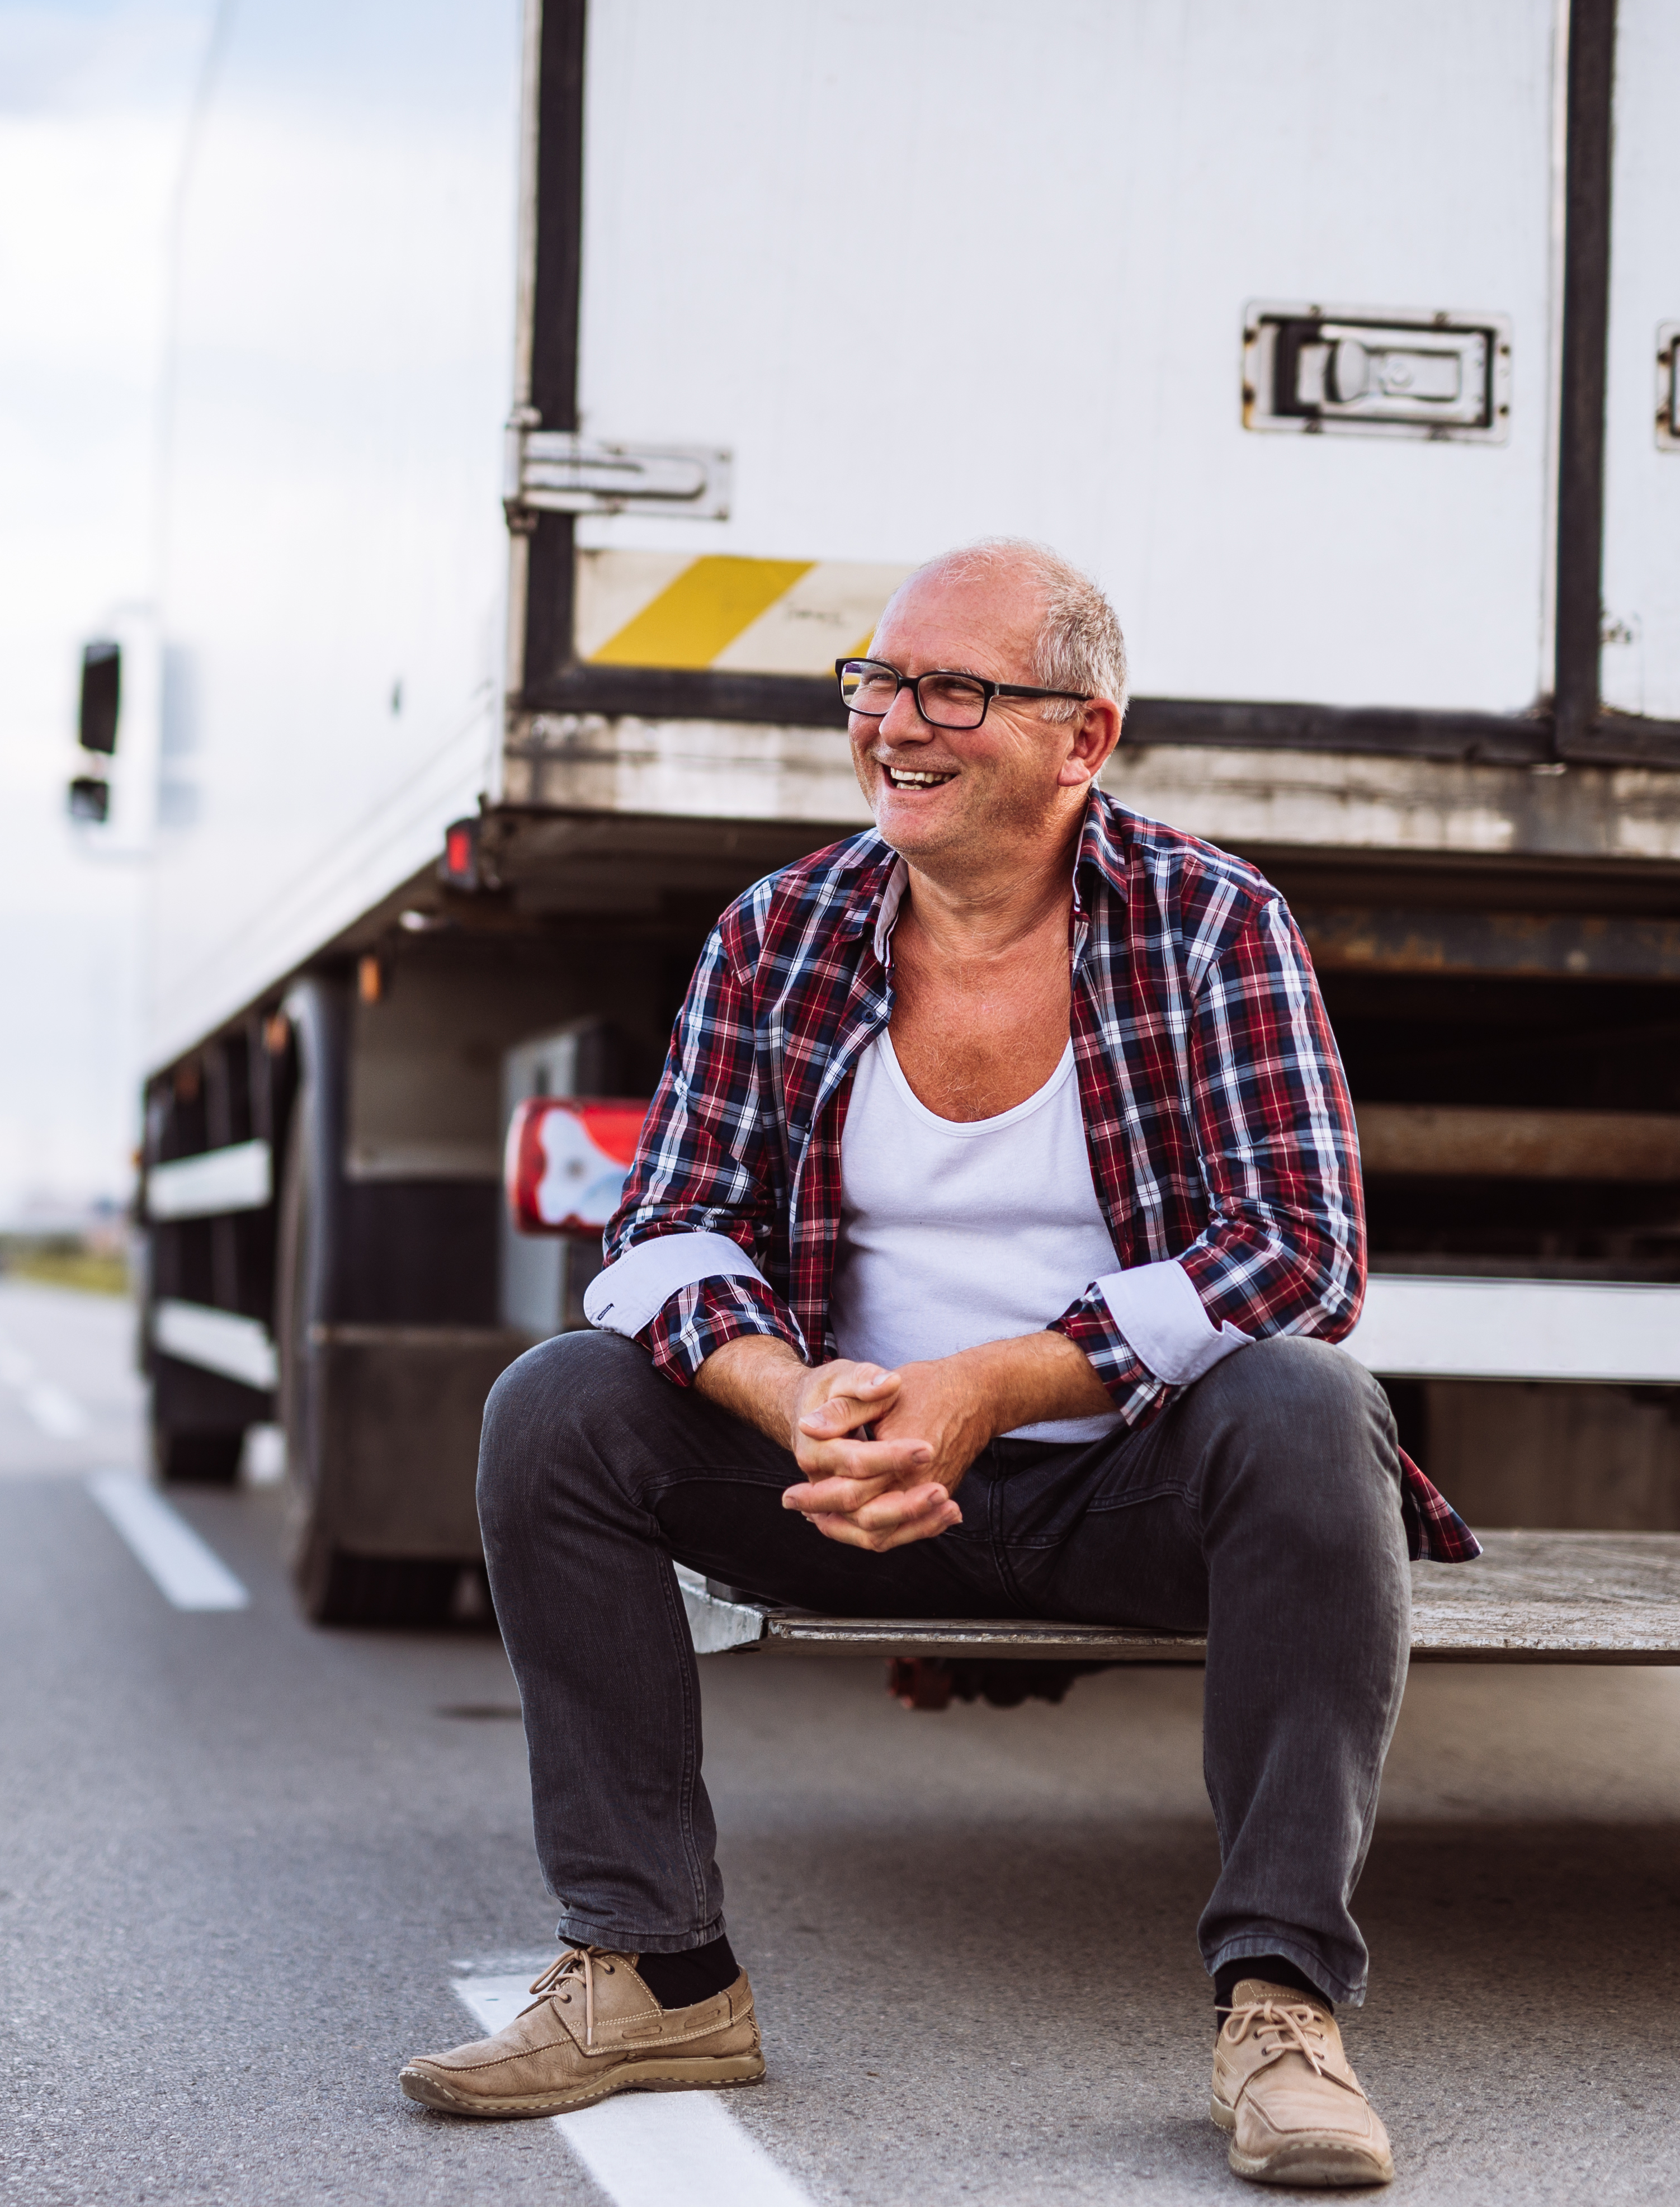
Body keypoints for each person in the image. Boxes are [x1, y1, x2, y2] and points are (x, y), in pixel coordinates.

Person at [398, 540, 1476, 2189]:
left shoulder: (1209, 922)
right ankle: (657, 1975)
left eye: (954, 689)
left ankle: (1280, 2004)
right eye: (879, 681)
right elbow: (665, 1230)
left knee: (1313, 1403)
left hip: (1126, 1480)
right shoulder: (784, 931)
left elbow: (1301, 1251)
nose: (898, 722)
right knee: (556, 1405)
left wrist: (995, 1386)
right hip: (844, 1475)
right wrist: (794, 1395)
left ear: (1083, 738)